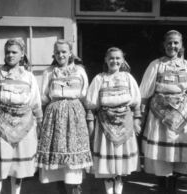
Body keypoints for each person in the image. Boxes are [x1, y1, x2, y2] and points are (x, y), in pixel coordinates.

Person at [36, 39, 93, 194]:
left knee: (74, 148)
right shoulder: (49, 72)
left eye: (64, 52)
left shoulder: (79, 71)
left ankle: (76, 188)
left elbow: (85, 94)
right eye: (58, 52)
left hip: (75, 113)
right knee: (57, 150)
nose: (61, 55)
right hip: (54, 114)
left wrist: (88, 116)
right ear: (54, 54)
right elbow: (43, 96)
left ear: (70, 53)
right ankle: (61, 189)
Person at [0, 38, 43, 194]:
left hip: (25, 126)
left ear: (22, 54)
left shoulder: (28, 77)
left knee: (18, 169)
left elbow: (35, 102)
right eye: (7, 52)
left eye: (14, 52)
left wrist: (40, 123)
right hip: (1, 126)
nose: (10, 55)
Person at [85, 47, 141, 194]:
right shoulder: (99, 79)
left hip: (125, 124)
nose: (114, 61)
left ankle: (119, 190)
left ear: (122, 60)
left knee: (120, 165)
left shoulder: (128, 78)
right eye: (111, 58)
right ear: (106, 60)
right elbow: (91, 105)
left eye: (117, 58)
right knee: (107, 165)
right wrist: (91, 126)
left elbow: (136, 103)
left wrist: (136, 121)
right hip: (105, 125)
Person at [140, 30, 187, 194]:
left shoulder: (186, 65)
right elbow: (144, 93)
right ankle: (163, 186)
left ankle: (173, 185)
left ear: (181, 45)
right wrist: (140, 116)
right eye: (169, 43)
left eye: (176, 43)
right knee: (162, 154)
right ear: (164, 45)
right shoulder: (156, 65)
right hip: (160, 115)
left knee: (177, 152)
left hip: (182, 115)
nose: (172, 46)